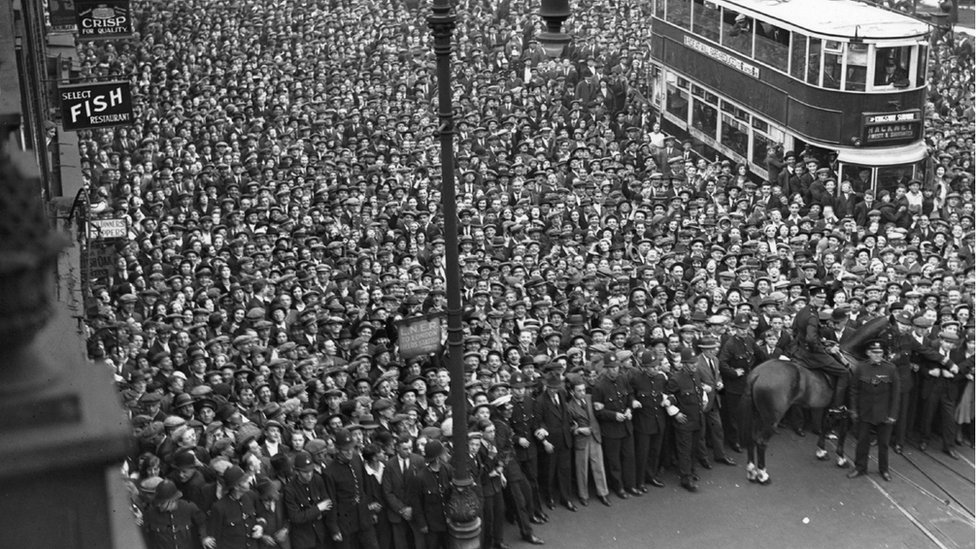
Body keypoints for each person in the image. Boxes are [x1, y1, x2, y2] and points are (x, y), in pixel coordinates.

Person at [790, 283, 850, 413]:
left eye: (824, 297)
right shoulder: (812, 315)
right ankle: (836, 406)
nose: (822, 300)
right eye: (819, 297)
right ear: (811, 297)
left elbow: (795, 331)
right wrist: (825, 350)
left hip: (799, 351)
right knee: (844, 372)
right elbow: (811, 339)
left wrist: (822, 342)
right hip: (811, 354)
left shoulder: (802, 311)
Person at [847, 339, 900, 481]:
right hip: (865, 412)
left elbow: (895, 394)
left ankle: (884, 470)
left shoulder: (891, 369)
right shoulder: (861, 368)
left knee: (883, 444)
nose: (877, 355)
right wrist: (854, 410)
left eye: (880, 352)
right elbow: (854, 390)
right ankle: (860, 468)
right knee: (862, 442)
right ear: (868, 353)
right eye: (874, 352)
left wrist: (893, 415)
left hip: (884, 413)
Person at [591, 351, 640, 499]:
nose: (615, 370)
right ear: (606, 368)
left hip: (626, 426)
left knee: (629, 457)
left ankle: (630, 485)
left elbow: (630, 395)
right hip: (611, 429)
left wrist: (630, 408)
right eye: (611, 367)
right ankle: (618, 487)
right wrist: (613, 415)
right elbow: (598, 411)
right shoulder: (599, 387)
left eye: (617, 367)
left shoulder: (623, 379)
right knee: (614, 461)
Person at [565, 375, 611, 506]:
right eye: (579, 391)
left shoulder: (591, 399)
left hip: (595, 436)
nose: (582, 393)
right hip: (581, 439)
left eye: (583, 390)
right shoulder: (569, 407)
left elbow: (600, 409)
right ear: (572, 392)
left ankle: (603, 493)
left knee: (599, 466)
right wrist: (578, 430)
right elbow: (568, 427)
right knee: (581, 468)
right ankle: (583, 494)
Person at [665, 348, 706, 492]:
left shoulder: (696, 375)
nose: (694, 365)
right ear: (684, 363)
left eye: (695, 362)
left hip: (697, 418)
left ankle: (692, 470)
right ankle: (685, 477)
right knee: (684, 450)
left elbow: (699, 393)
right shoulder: (676, 379)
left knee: (694, 447)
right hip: (684, 420)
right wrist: (675, 413)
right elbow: (667, 397)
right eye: (691, 363)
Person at [382, 437, 427, 549]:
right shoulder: (389, 465)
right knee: (401, 544)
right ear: (397, 448)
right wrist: (402, 509)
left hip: (416, 512)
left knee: (419, 544)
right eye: (405, 449)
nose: (409, 451)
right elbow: (387, 491)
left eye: (411, 448)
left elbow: (424, 487)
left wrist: (413, 508)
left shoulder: (419, 461)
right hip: (397, 514)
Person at [283, 451, 333, 549]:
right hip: (303, 539)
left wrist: (319, 512)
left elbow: (327, 503)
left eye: (311, 470)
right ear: (297, 472)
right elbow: (295, 517)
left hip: (320, 534)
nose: (309, 474)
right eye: (305, 472)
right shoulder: (290, 490)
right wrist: (318, 509)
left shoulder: (317, 479)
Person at [142, 479, 208, 549]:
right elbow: (144, 534)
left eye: (162, 503)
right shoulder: (150, 513)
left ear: (172, 500)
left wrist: (204, 537)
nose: (158, 505)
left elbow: (202, 522)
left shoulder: (189, 508)